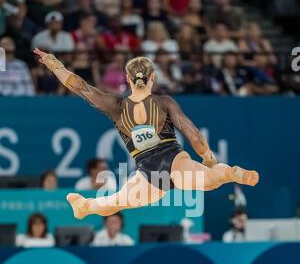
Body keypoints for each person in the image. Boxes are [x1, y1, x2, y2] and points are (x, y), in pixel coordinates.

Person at [33, 49, 259, 220]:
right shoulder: (164, 102)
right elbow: (193, 134)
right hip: (175, 161)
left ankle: (84, 206)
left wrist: (54, 64)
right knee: (210, 180)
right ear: (153, 78)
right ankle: (231, 173)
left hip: (150, 175)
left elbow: (80, 86)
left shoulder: (118, 107)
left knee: (115, 202)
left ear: (128, 79)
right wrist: (207, 156)